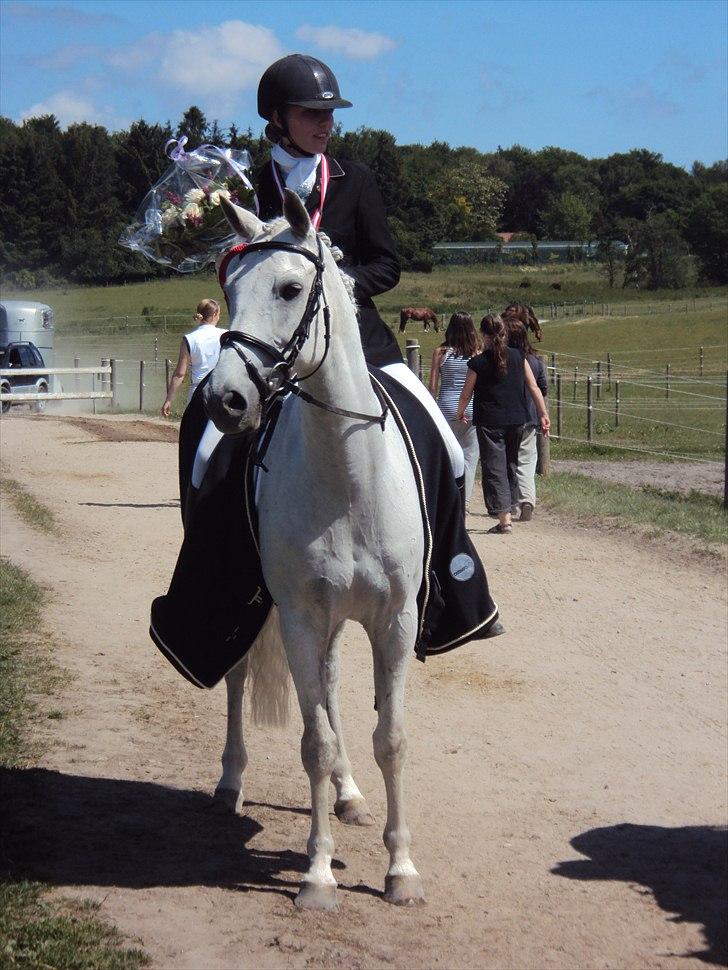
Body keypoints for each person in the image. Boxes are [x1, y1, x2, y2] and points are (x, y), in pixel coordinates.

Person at [253, 53, 464, 479]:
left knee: (449, 449)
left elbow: (387, 265)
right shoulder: (252, 186)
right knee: (207, 451)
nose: (325, 124)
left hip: (361, 341)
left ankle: (454, 547)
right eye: (312, 113)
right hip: (271, 347)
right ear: (277, 117)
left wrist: (335, 284)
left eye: (329, 113)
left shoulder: (357, 179)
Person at [457, 314, 550, 534]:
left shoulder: (478, 363)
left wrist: (461, 412)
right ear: (503, 333)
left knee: (494, 466)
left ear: (483, 335)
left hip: (490, 421)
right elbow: (534, 387)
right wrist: (543, 413)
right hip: (517, 419)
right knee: (510, 463)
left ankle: (504, 518)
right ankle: (509, 507)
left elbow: (466, 393)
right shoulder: (519, 357)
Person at [428, 312, 482, 514]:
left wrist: (430, 407)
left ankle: (447, 499)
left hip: (445, 408)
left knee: (448, 455)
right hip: (471, 408)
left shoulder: (441, 352)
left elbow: (433, 386)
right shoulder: (477, 353)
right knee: (470, 456)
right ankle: (464, 502)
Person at [504, 317, 548, 521]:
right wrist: (542, 413)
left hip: (507, 417)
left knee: (508, 460)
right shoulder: (536, 362)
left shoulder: (503, 360)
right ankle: (528, 499)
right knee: (528, 461)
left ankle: (511, 502)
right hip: (529, 418)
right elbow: (543, 388)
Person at [162, 299, 223, 417]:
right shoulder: (225, 335)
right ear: (215, 314)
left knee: (193, 432)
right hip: (220, 392)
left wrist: (168, 399)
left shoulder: (189, 339)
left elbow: (179, 374)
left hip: (197, 393)